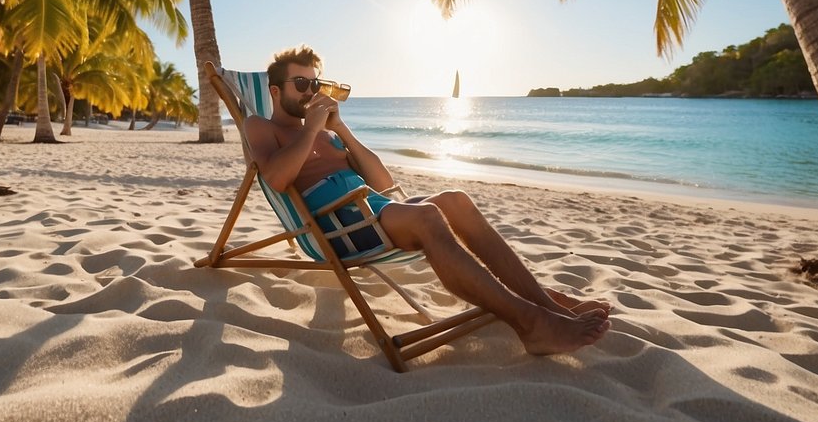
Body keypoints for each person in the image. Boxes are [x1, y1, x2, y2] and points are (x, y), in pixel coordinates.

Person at [245, 45, 612, 356]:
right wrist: (311, 129)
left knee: (456, 200)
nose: (312, 92)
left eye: (316, 83)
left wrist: (340, 129)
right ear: (275, 91)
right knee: (429, 217)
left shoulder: (329, 134)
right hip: (339, 227)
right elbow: (276, 179)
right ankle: (531, 323)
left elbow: (383, 181)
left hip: (372, 210)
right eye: (302, 83)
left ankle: (547, 306)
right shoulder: (262, 127)